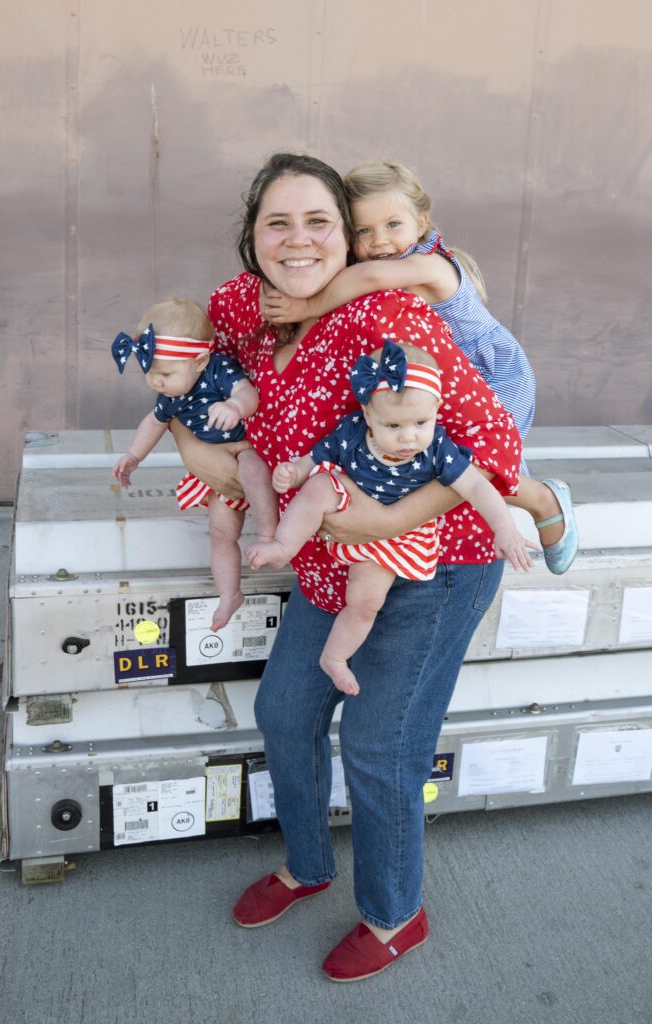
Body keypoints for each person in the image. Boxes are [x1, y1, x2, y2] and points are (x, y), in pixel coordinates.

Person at [171, 152, 522, 982]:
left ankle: (395, 914)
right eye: (276, 223)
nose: (298, 240)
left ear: (350, 238)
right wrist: (190, 439)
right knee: (286, 710)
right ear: (251, 239)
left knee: (378, 747)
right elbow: (178, 352)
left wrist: (384, 519)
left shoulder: (385, 321)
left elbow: (495, 451)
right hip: (332, 569)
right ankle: (308, 864)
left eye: (318, 221)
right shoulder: (245, 308)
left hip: (428, 568)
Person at [260, 159, 578, 576]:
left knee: (489, 458)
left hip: (496, 370)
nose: (380, 241)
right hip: (438, 376)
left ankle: (546, 501)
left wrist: (306, 304)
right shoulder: (383, 264)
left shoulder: (431, 265)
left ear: (422, 220)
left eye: (393, 224)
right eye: (364, 231)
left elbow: (373, 277)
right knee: (431, 450)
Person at [246, 339, 536, 696]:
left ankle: (335, 657)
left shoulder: (437, 449)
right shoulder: (353, 432)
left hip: (399, 537)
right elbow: (318, 455)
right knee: (320, 485)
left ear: (437, 409)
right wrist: (295, 472)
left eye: (420, 422)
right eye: (393, 426)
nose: (408, 437)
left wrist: (505, 530)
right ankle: (281, 544)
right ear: (368, 415)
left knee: (366, 603)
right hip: (349, 506)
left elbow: (477, 488)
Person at [110, 297, 278, 630]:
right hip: (215, 472)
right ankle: (229, 593)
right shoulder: (171, 393)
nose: (156, 382)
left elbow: (248, 394)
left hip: (243, 448)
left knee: (253, 469)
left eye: (165, 373)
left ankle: (270, 535)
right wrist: (133, 455)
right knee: (220, 534)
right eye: (151, 373)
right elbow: (154, 422)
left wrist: (234, 407)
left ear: (200, 361)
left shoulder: (218, 369)